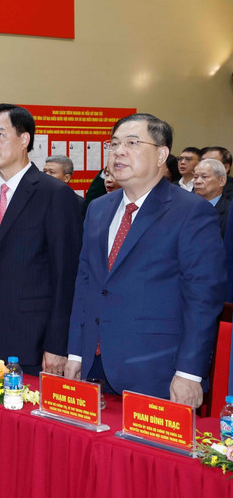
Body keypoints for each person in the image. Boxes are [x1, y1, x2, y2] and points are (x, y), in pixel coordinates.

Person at [65, 114, 225, 406]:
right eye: (113, 144)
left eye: (132, 143)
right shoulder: (98, 209)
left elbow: (203, 299)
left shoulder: (191, 212)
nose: (118, 152)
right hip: (93, 366)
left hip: (157, 371)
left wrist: (189, 373)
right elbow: (85, 285)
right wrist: (76, 353)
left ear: (161, 155)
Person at [0, 104, 82, 375]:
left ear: (24, 139)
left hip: (35, 340)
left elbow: (66, 276)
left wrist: (57, 344)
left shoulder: (54, 194)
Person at [193, 158, 230, 237]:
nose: (197, 181)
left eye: (204, 177)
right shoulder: (185, 207)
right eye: (195, 177)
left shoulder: (229, 210)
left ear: (221, 181)